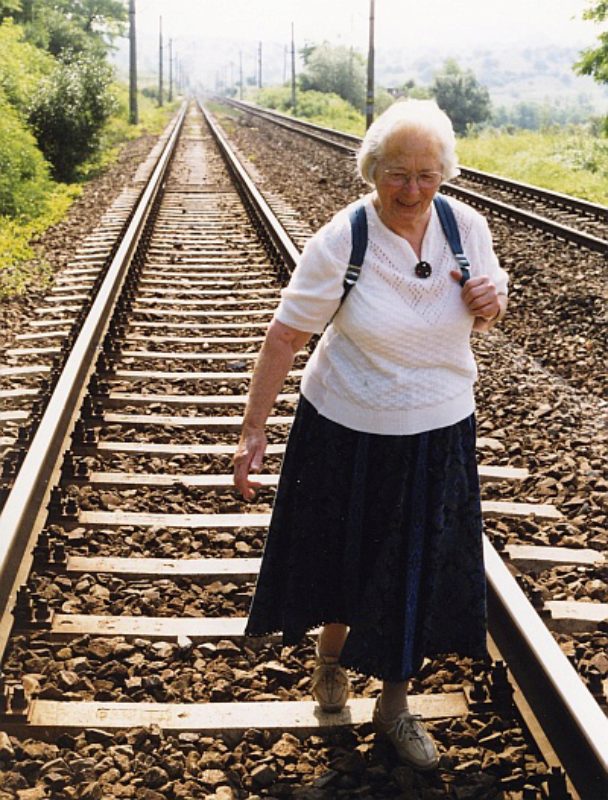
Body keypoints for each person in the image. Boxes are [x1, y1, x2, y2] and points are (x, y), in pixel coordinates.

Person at [233, 98, 508, 771]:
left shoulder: (465, 226)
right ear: (371, 171)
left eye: (426, 174)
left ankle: (394, 706)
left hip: (438, 427)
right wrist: (251, 432)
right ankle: (330, 662)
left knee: (409, 570)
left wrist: (491, 303)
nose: (412, 189)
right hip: (347, 426)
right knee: (342, 559)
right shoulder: (343, 239)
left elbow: (492, 304)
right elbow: (286, 336)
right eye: (397, 174)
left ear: (444, 173)